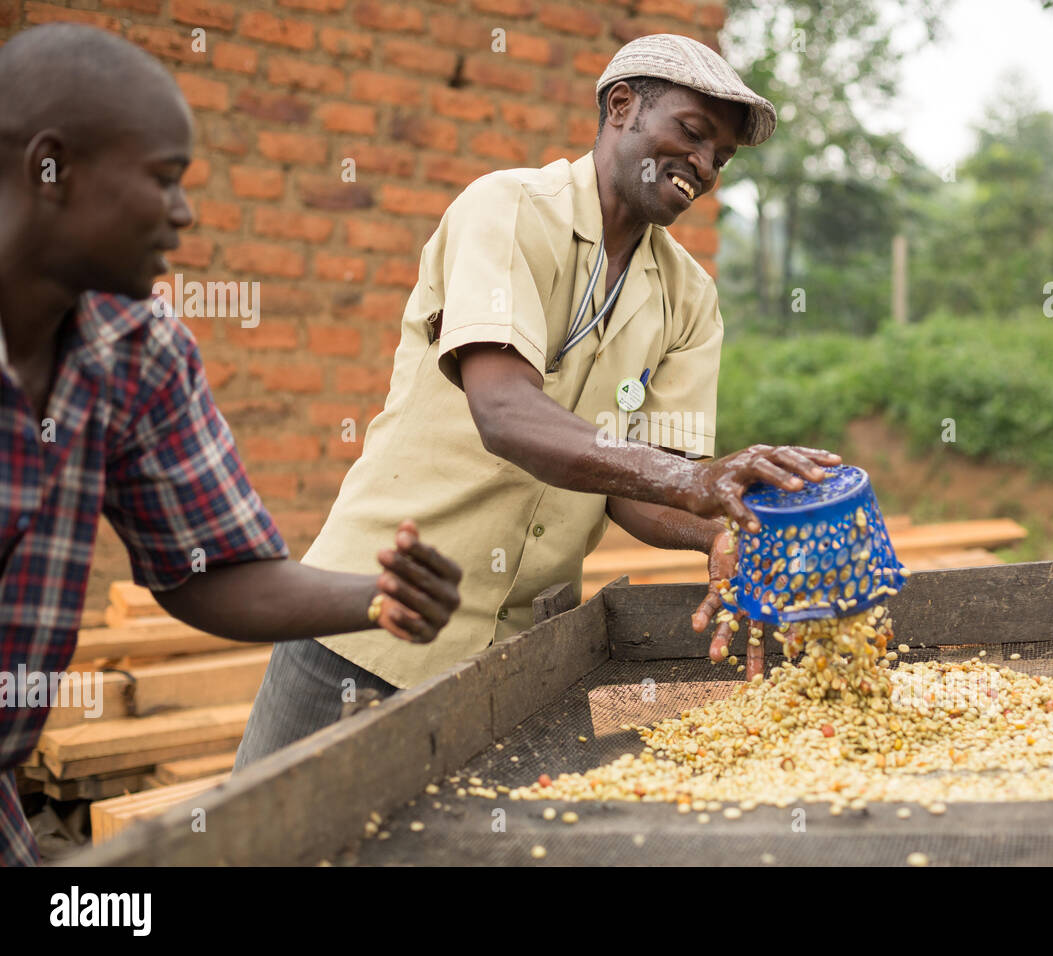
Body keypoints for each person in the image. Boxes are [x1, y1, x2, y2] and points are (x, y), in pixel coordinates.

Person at [235, 33, 841, 770]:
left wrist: (717, 530)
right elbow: (505, 414)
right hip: (372, 624)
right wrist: (692, 481)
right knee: (264, 839)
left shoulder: (690, 297)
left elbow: (643, 491)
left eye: (722, 156)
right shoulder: (508, 211)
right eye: (692, 133)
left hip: (520, 661)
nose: (706, 166)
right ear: (621, 107)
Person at [0, 24, 461, 866]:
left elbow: (210, 570)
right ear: (51, 168)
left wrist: (379, 597)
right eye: (164, 180)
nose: (183, 213)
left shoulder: (136, 351)